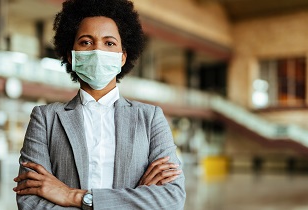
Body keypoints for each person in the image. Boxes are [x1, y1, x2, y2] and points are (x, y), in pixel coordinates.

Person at [12, 0, 186, 209]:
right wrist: (135, 198)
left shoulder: (150, 118)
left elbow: (172, 198)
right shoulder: (46, 119)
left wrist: (74, 197)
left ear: (122, 57)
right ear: (71, 55)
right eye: (86, 42)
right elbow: (30, 201)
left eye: (109, 43)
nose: (97, 50)